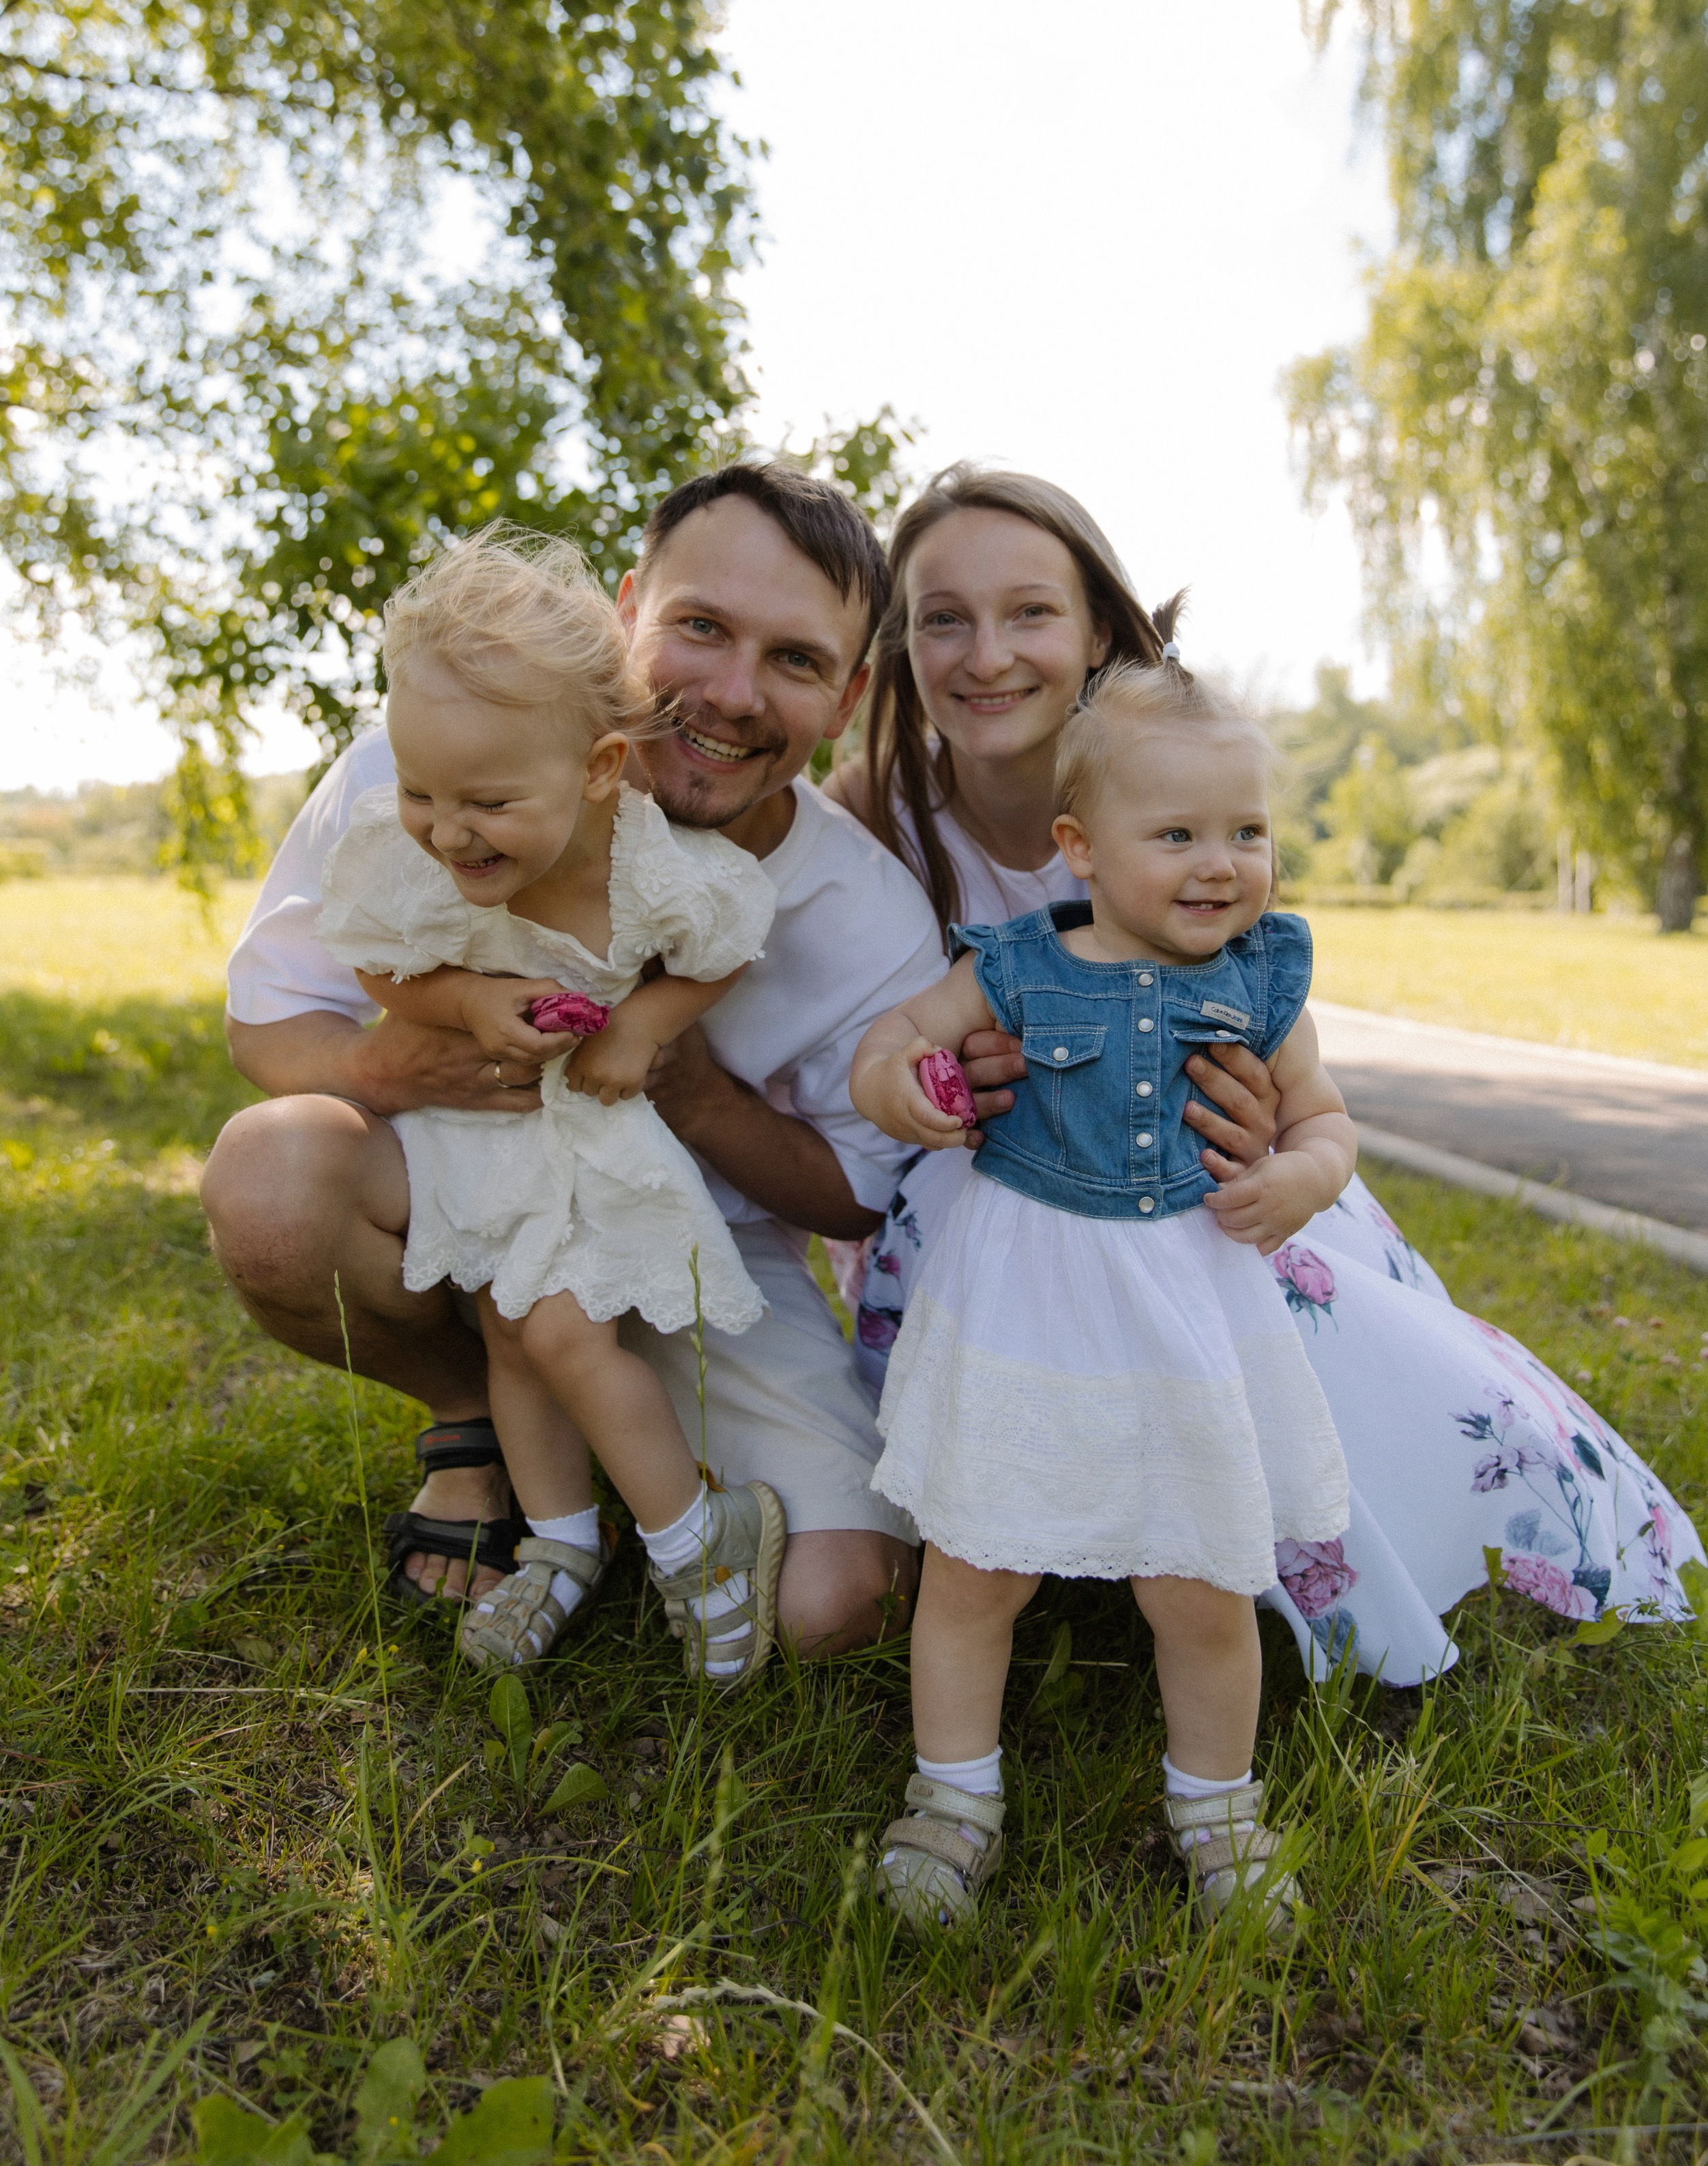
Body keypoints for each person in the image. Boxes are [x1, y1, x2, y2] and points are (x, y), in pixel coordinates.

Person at [827, 464, 1705, 1687]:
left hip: (1217, 1161)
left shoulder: (1189, 785)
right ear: (902, 642)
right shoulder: (878, 810)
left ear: (1096, 633)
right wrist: (931, 1074)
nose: (986, 654)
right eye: (942, 617)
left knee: (1297, 1309)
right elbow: (880, 1041)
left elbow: (1290, 1073)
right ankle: (1040, 1530)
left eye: (1029, 611)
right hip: (1007, 1195)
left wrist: (1276, 1134)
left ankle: (1332, 1554)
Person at [201, 464, 988, 1657]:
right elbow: (267, 1021)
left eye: (793, 659)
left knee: (839, 1608)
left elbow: (855, 1192)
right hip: (463, 1178)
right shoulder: (434, 760)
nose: (728, 695)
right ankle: (477, 1423)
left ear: (851, 693)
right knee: (271, 1185)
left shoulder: (866, 912)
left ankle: (630, 1472)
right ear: (629, 612)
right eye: (701, 628)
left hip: (693, 1240)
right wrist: (416, 1056)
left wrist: (686, 1079)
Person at [851, 648, 1359, 1933]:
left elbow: (1328, 1123)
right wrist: (902, 1086)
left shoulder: (1263, 979)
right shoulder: (1020, 965)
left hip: (1189, 1313)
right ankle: (952, 1797)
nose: (1219, 864)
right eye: (1177, 832)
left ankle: (1219, 1811)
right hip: (1029, 1305)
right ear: (1081, 846)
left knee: (1200, 1579)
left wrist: (1302, 1178)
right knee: (976, 1567)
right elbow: (890, 1042)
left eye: (1248, 832)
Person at [314, 525, 786, 1682]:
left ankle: (699, 1542)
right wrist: (464, 998)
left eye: (483, 799)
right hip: (488, 1142)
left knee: (567, 1332)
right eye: (419, 789)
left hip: (593, 1141)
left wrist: (642, 1024)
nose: (446, 829)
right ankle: (562, 1547)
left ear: (598, 767)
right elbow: (377, 957)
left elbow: (727, 944)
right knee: (516, 1336)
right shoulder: (415, 852)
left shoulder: (650, 862)